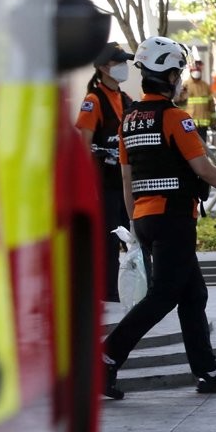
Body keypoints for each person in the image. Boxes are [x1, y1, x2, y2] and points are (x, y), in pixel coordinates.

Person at [101, 36, 216, 400]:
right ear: (168, 75)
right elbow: (202, 168)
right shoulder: (175, 119)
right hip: (173, 219)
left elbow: (128, 180)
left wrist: (136, 225)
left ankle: (207, 370)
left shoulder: (129, 121)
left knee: (193, 294)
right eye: (178, 73)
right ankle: (106, 358)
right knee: (163, 296)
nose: (181, 79)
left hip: (146, 217)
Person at [76, 41, 135, 303]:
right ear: (103, 67)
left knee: (136, 238)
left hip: (128, 183)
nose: (123, 67)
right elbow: (84, 146)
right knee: (110, 241)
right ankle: (108, 296)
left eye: (124, 61)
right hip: (106, 185)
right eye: (118, 62)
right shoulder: (94, 100)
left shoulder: (125, 99)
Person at [178, 60, 213, 142]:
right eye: (194, 71)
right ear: (190, 71)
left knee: (203, 145)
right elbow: (180, 103)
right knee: (190, 143)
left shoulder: (206, 86)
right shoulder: (185, 85)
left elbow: (211, 104)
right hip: (189, 121)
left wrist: (213, 120)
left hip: (203, 122)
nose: (196, 72)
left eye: (198, 71)